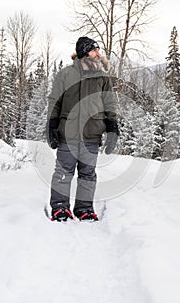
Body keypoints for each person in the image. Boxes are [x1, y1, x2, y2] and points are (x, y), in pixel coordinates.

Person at [47, 36, 119, 222]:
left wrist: (112, 128)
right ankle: (60, 207)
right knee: (63, 171)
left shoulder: (102, 77)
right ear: (84, 52)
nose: (98, 53)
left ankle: (84, 208)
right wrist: (51, 126)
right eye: (94, 50)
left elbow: (110, 103)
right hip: (67, 133)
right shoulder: (65, 75)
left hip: (92, 134)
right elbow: (55, 101)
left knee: (87, 174)